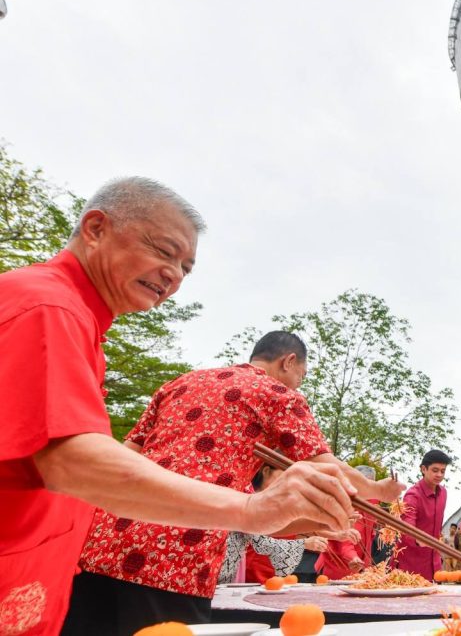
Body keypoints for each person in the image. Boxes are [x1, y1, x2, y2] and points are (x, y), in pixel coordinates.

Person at [0, 178, 363, 636]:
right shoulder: (48, 307)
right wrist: (253, 508)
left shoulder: (168, 375)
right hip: (173, 554)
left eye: (185, 268)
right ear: (95, 228)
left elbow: (123, 453)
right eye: (164, 251)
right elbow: (72, 459)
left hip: (94, 549)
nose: (172, 274)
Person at [65, 330, 401, 634]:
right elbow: (328, 468)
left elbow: (123, 456)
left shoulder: (179, 383)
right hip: (178, 552)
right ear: (288, 361)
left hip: (101, 540)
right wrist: (379, 490)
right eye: (301, 375)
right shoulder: (277, 394)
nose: (298, 384)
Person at [218, 463, 332, 584]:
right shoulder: (246, 495)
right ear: (266, 471)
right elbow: (261, 541)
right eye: (284, 476)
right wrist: (304, 543)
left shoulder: (280, 500)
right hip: (249, 566)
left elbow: (289, 528)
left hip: (264, 566)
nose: (287, 484)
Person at [315, 465, 380, 579]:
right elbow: (345, 539)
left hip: (362, 567)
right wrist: (353, 557)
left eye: (370, 486)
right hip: (335, 565)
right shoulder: (342, 502)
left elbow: (370, 533)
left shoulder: (372, 503)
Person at [394, 450, 451, 579]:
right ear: (423, 469)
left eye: (443, 471)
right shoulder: (412, 495)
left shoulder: (443, 493)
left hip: (434, 563)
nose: (439, 475)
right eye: (435, 470)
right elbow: (407, 528)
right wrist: (420, 540)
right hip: (411, 564)